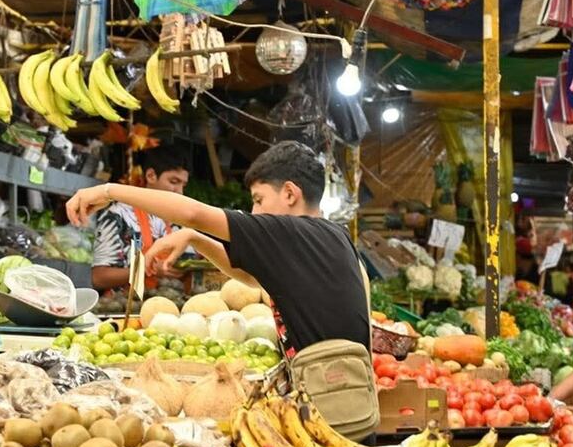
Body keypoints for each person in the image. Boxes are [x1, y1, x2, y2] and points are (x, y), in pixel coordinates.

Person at [68, 140, 369, 357]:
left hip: (331, 408)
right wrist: (195, 239)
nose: (254, 210)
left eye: (258, 199)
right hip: (340, 395)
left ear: (290, 193)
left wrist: (108, 190)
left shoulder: (289, 231)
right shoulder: (330, 234)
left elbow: (195, 213)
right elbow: (249, 278)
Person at [91, 148, 190, 291]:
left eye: (183, 185)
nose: (180, 191)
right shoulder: (119, 215)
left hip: (169, 305)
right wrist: (148, 269)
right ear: (151, 176)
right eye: (174, 181)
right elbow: (98, 278)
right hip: (122, 307)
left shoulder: (179, 221)